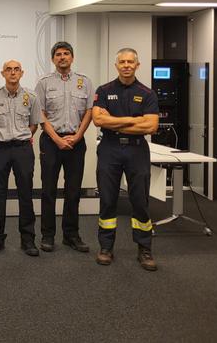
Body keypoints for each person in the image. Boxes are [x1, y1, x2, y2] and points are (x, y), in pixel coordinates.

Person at [92, 48, 159, 271]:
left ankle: (144, 248)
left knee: (140, 200)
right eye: (122, 62)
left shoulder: (147, 93)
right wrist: (135, 121)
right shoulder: (104, 90)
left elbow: (151, 126)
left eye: (131, 62)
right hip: (109, 149)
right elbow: (98, 121)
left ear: (137, 65)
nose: (126, 65)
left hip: (136, 150)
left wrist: (115, 121)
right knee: (107, 199)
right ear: (116, 65)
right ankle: (106, 247)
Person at [34, 42, 93, 253]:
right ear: (53, 59)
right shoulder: (43, 83)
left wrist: (77, 136)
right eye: (58, 54)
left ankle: (71, 235)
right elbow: (40, 114)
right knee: (48, 190)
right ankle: (48, 235)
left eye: (66, 53)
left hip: (76, 141)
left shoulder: (85, 82)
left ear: (72, 57)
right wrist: (57, 139)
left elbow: (89, 111)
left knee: (73, 191)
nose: (62, 57)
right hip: (51, 142)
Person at [0, 59, 42, 257]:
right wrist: (0, 138)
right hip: (0, 149)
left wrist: (21, 137)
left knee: (25, 195)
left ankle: (28, 240)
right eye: (8, 69)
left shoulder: (31, 97)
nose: (12, 72)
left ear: (22, 73)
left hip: (22, 149)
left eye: (16, 69)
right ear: (2, 73)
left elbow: (34, 124)